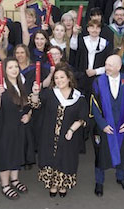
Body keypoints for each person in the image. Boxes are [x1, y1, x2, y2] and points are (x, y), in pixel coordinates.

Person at [31, 65, 88, 197]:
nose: (59, 80)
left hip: (68, 135)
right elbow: (35, 105)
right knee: (50, 157)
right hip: (49, 134)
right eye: (56, 78)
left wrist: (71, 130)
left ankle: (63, 184)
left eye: (62, 77)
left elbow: (83, 117)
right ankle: (53, 183)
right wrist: (35, 93)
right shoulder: (50, 93)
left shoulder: (78, 97)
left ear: (69, 78)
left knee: (66, 159)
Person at [90, 55, 124, 196]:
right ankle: (99, 181)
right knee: (101, 154)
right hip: (105, 125)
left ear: (118, 67)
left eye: (110, 65)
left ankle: (121, 178)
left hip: (122, 125)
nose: (107, 68)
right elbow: (94, 106)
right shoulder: (98, 82)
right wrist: (102, 124)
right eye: (106, 64)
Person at [0, 59, 32, 199]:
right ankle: (5, 184)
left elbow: (27, 105)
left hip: (18, 125)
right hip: (3, 126)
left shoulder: (21, 82)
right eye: (10, 67)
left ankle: (15, 179)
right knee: (4, 154)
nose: (14, 69)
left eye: (16, 67)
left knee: (16, 151)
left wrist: (28, 115)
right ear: (4, 70)